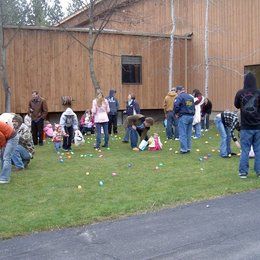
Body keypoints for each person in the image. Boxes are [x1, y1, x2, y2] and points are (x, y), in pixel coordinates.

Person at [234, 72, 260, 178]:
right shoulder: (258, 92)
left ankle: (243, 172)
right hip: (258, 127)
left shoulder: (240, 93)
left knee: (245, 150)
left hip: (246, 127)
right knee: (258, 150)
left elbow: (236, 105)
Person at [174, 86, 195, 154]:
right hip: (191, 116)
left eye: (176, 92)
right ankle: (188, 148)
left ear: (178, 91)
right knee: (188, 133)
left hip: (183, 116)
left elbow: (176, 105)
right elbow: (193, 107)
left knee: (182, 133)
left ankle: (183, 149)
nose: (176, 93)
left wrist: (176, 113)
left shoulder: (180, 97)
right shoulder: (190, 97)